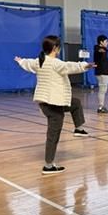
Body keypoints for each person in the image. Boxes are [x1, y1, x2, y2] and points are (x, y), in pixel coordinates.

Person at [15, 35, 94, 175]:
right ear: (55, 48)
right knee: (53, 135)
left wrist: (20, 61)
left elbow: (27, 63)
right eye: (59, 47)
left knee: (75, 103)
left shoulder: (38, 61)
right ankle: (48, 166)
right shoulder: (55, 63)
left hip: (48, 103)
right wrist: (85, 65)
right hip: (54, 105)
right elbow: (70, 66)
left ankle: (79, 129)